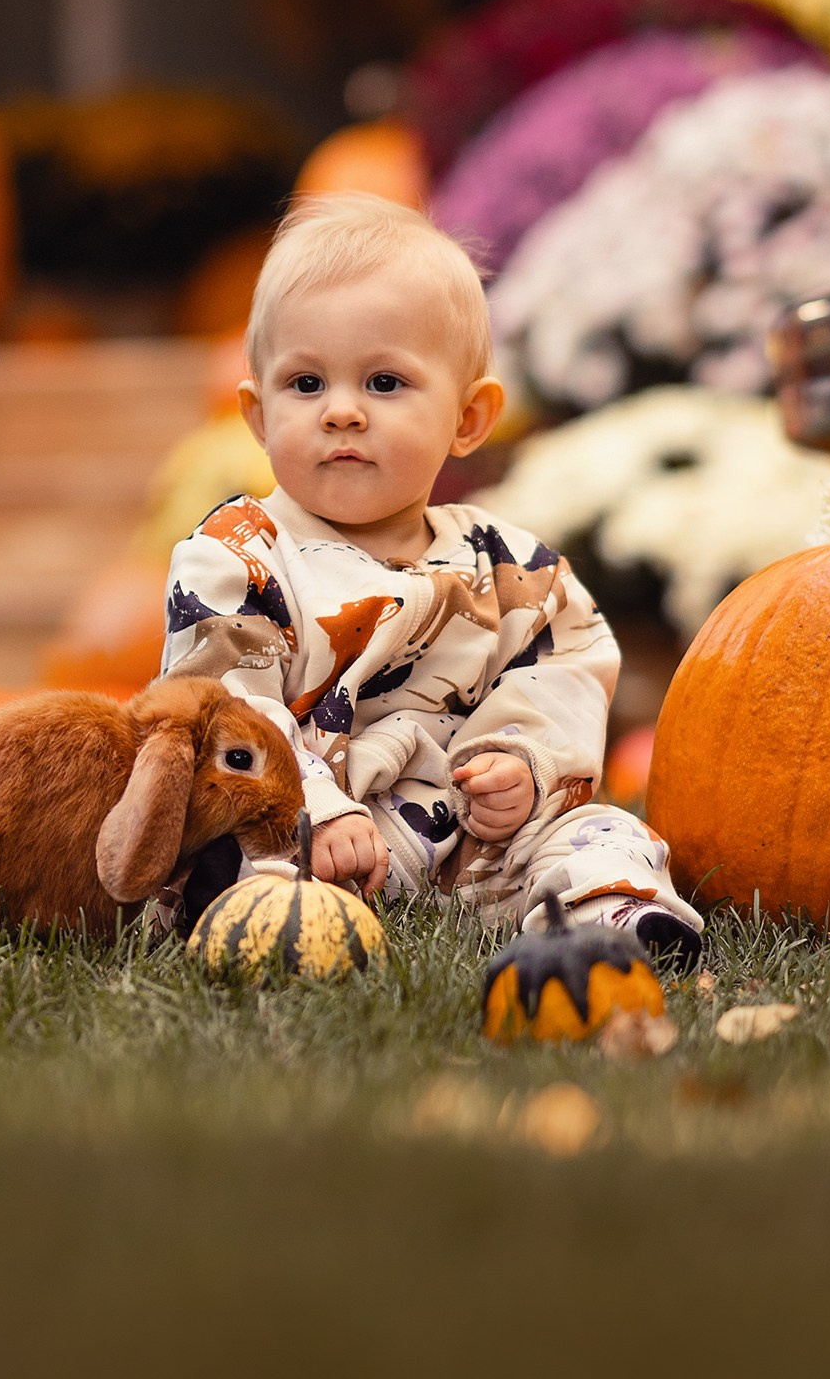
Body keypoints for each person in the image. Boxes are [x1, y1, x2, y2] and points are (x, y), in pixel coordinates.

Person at [160, 191, 702, 964]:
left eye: (384, 383)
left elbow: (562, 671)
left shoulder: (513, 569)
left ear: (468, 418)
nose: (341, 411)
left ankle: (611, 913)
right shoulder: (239, 554)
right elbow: (225, 710)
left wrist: (523, 763)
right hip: (299, 836)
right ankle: (261, 918)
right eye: (306, 384)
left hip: (467, 852)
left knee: (599, 831)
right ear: (257, 414)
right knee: (230, 857)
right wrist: (315, 807)